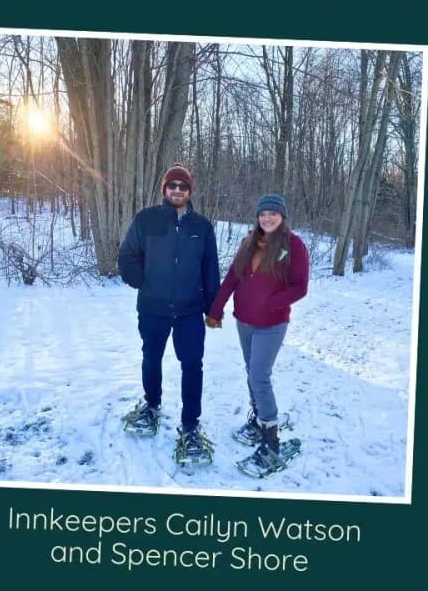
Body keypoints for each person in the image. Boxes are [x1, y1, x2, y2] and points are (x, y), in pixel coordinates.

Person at [117, 162, 221, 464]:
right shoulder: (146, 220)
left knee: (192, 365)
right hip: (153, 308)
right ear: (165, 189)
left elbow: (210, 271)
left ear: (189, 192)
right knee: (151, 357)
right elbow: (127, 256)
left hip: (189, 311)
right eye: (172, 186)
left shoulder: (202, 227)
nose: (177, 191)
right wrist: (142, 281)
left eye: (183, 187)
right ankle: (151, 405)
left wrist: (213, 308)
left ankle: (190, 425)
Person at [207, 194, 309, 476]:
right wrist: (216, 309)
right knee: (251, 371)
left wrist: (270, 302)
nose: (267, 218)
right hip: (244, 321)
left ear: (282, 217)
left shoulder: (294, 246)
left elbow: (300, 287)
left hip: (272, 323)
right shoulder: (248, 242)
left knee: (259, 376)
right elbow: (231, 278)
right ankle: (258, 420)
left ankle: (271, 441)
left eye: (273, 214)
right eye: (263, 214)